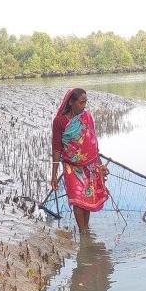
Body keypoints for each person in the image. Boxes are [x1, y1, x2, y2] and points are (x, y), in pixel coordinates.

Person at [51, 88, 109, 231]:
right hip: (71, 167)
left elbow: (93, 143)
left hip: (89, 165)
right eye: (81, 102)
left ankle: (85, 231)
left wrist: (100, 165)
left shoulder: (87, 117)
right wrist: (54, 174)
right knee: (77, 200)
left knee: (87, 199)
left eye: (85, 102)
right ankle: (84, 234)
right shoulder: (59, 121)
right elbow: (57, 148)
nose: (84, 106)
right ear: (71, 102)